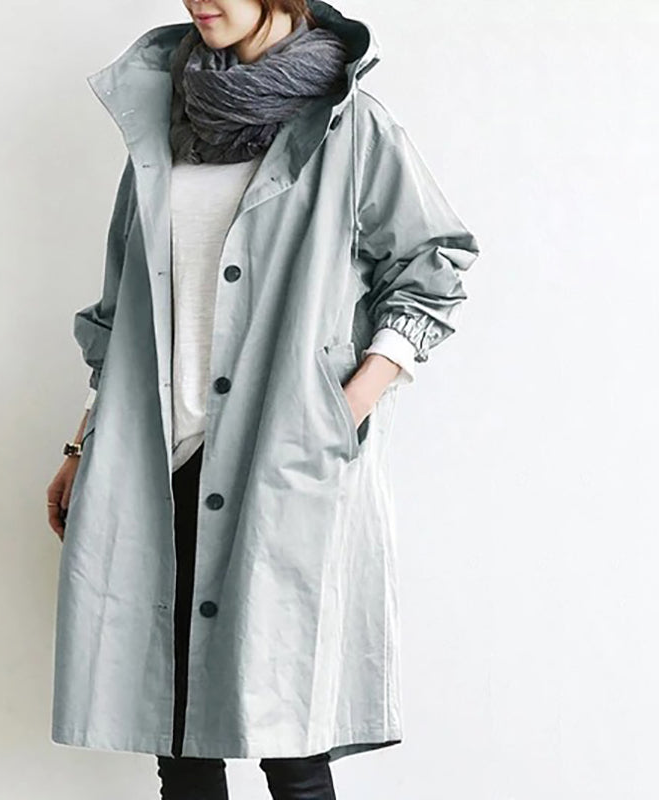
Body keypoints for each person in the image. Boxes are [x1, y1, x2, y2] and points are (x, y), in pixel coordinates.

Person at [46, 1, 480, 798]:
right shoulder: (161, 128)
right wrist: (83, 441)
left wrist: (340, 409)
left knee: (293, 742)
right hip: (157, 458)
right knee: (176, 740)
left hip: (279, 463)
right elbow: (121, 307)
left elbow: (432, 263)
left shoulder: (350, 128)